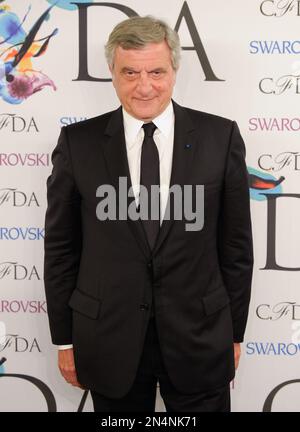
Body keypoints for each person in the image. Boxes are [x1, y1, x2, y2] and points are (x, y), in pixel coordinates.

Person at [44, 15, 253, 412]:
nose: (144, 86)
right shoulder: (78, 143)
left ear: (174, 69)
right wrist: (65, 340)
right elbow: (60, 250)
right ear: (112, 73)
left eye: (156, 71)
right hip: (108, 339)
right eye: (130, 72)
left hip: (200, 336)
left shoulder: (220, 137)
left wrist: (233, 333)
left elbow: (237, 249)